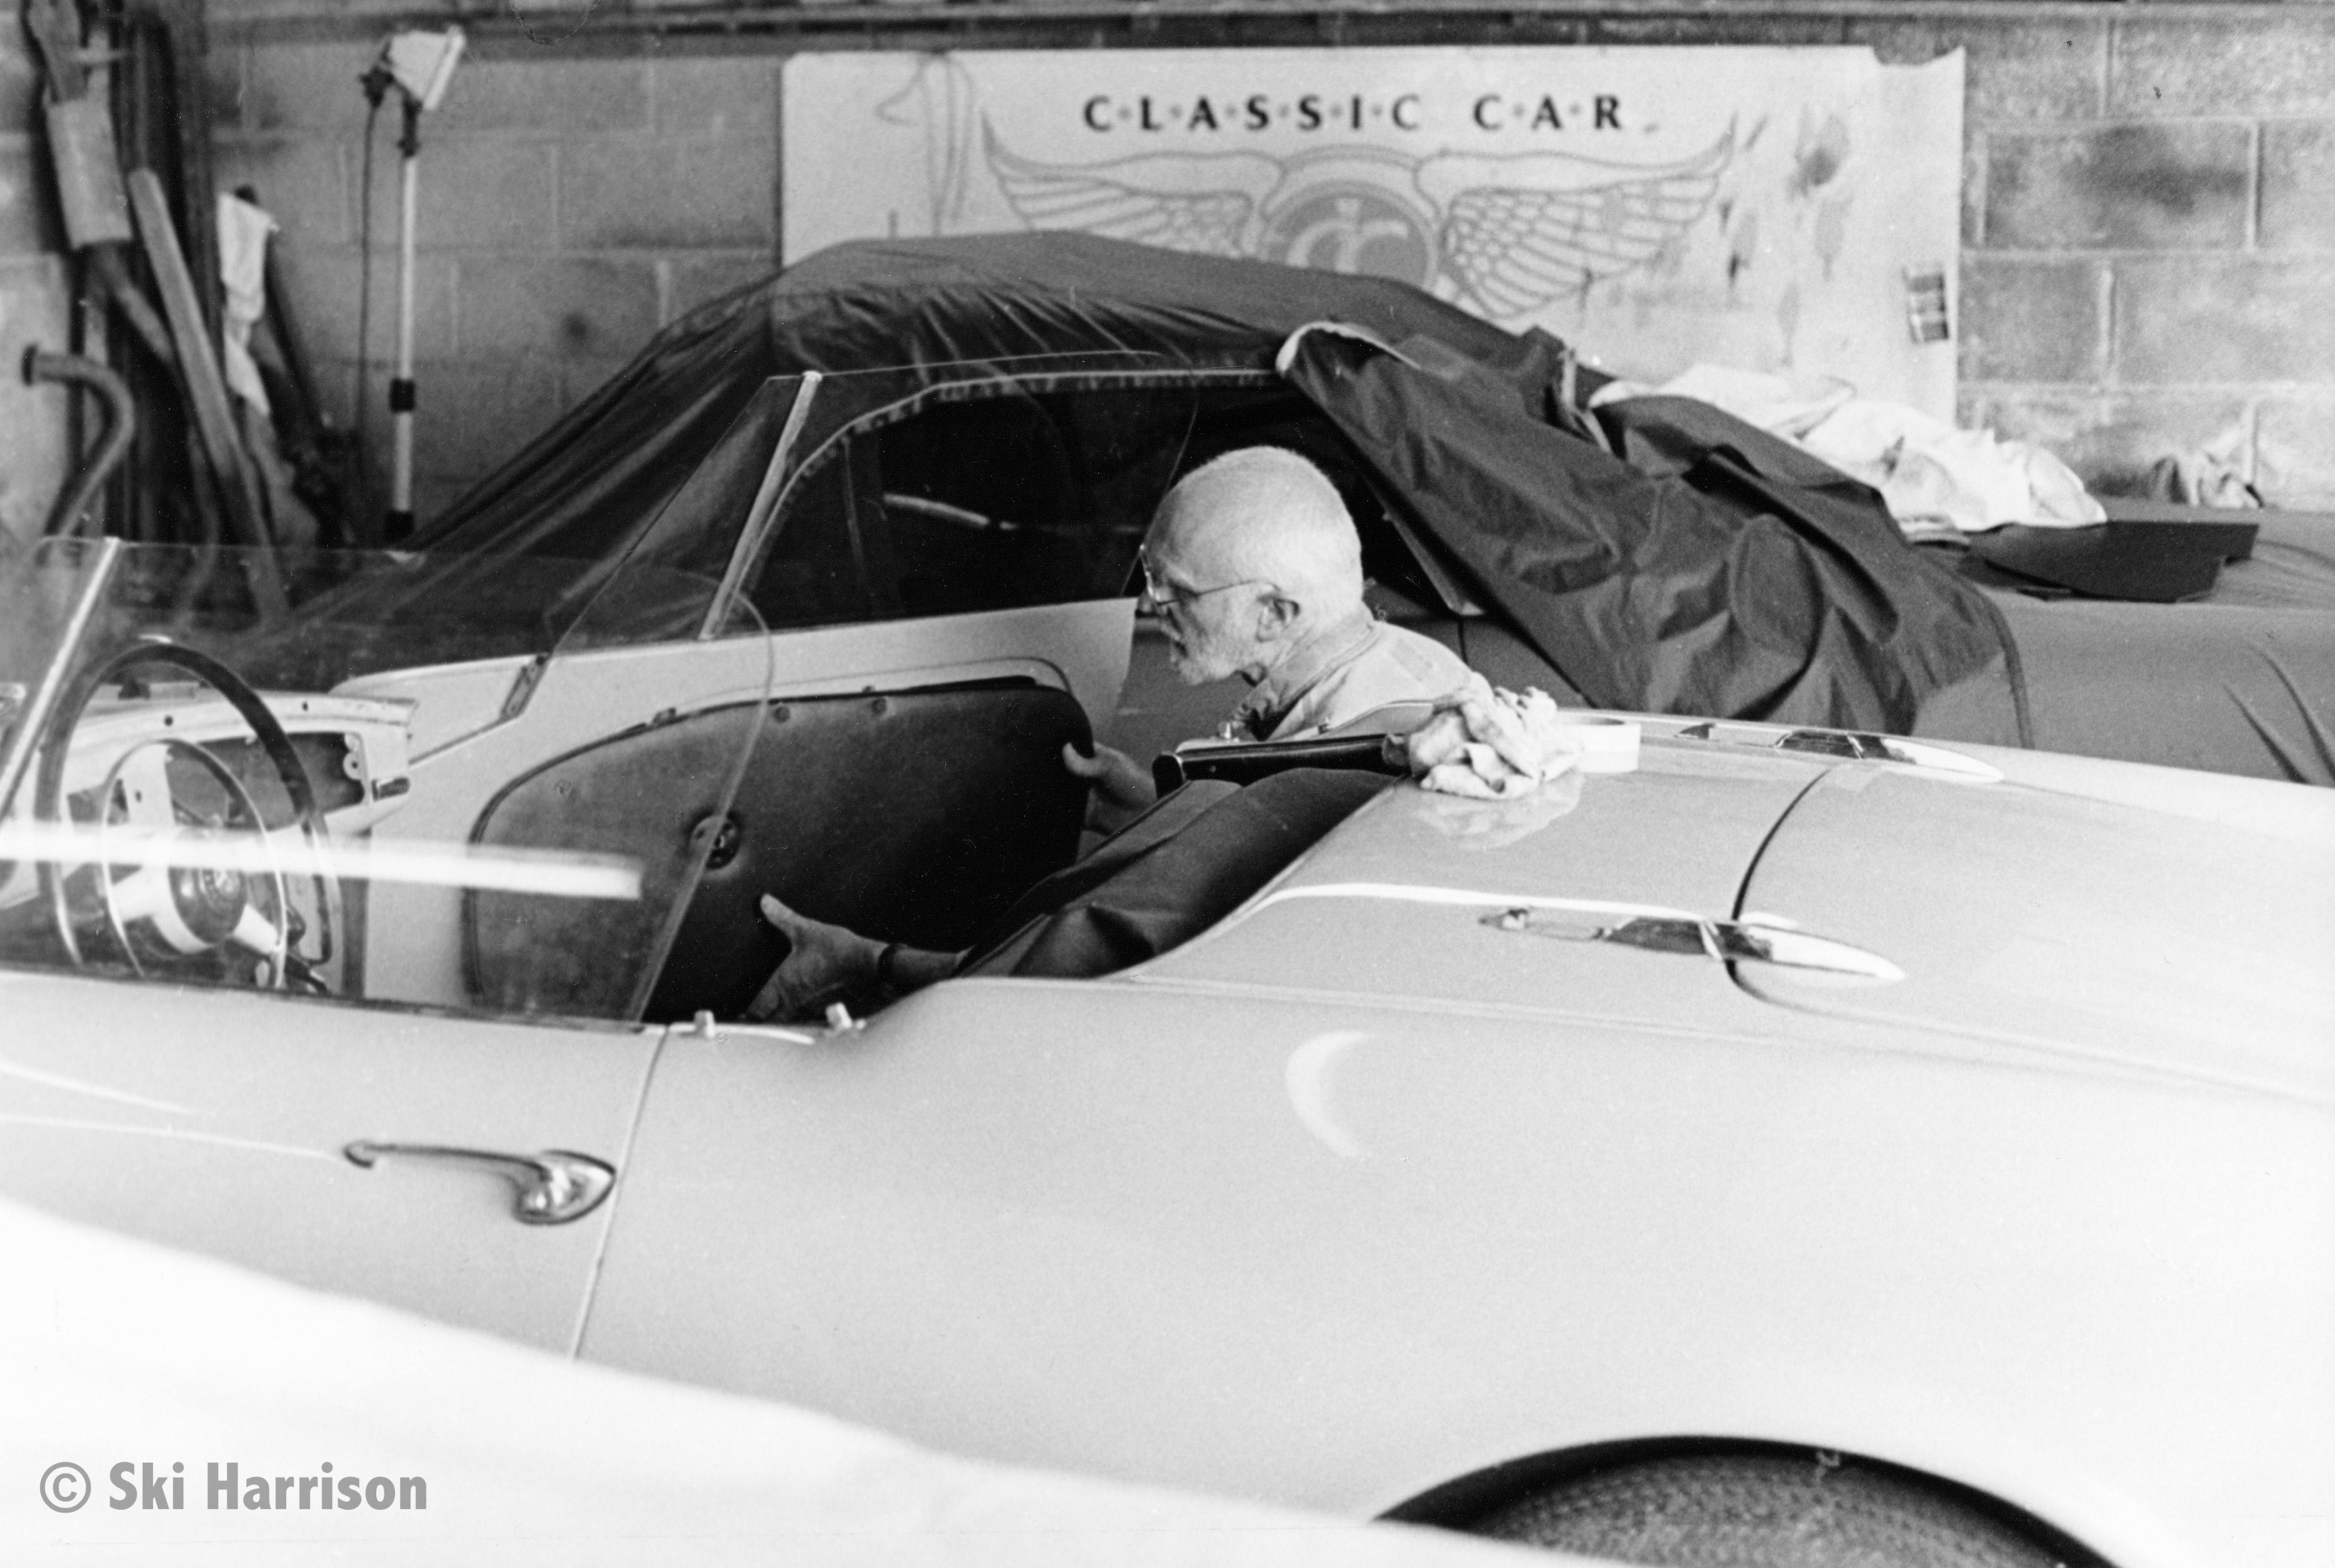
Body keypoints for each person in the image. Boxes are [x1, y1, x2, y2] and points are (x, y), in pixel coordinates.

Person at [750, 445, 1472, 1022]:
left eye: (1177, 590)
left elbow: (1089, 962)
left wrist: (871, 964)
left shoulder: (1357, 749)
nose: (1152, 606)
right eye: (1151, 577)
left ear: (1276, 614)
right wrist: (1148, 806)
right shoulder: (1408, 671)